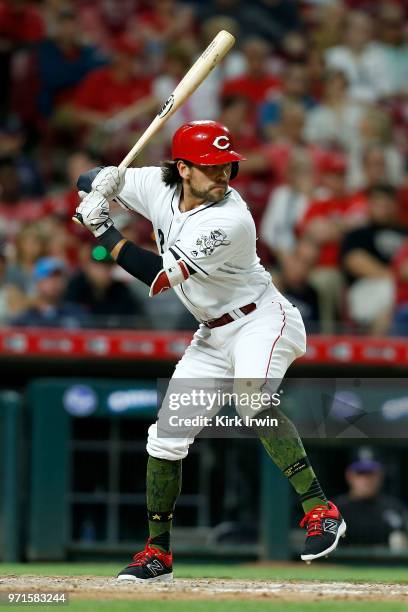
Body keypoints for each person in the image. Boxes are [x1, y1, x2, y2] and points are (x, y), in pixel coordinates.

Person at [75, 120, 346, 582]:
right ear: (182, 169)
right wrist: (99, 180)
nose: (223, 175)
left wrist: (101, 227)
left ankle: (322, 509)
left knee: (251, 400)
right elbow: (94, 179)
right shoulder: (154, 185)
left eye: (227, 166)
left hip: (261, 319)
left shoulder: (230, 218)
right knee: (165, 440)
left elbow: (158, 278)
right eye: (212, 167)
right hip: (212, 334)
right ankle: (157, 554)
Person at [340, 184, 408, 333]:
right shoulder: (359, 233)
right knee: (388, 290)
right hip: (367, 289)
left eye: (387, 203)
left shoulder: (404, 232)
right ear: (369, 205)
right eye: (377, 203)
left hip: (400, 291)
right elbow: (355, 261)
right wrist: (396, 277)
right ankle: (375, 347)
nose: (382, 207)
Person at [335, 458, 408, 548]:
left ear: (381, 477)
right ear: (349, 477)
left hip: (385, 561)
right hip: (343, 562)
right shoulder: (336, 509)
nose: (367, 480)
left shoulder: (395, 507)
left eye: (372, 474)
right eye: (361, 474)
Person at [12, 256, 87, 328]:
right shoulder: (24, 320)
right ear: (37, 282)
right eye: (49, 277)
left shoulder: (77, 315)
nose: (55, 282)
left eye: (59, 277)